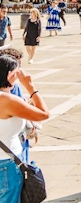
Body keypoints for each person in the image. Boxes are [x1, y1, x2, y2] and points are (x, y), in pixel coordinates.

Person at [0, 55, 50, 202]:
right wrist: (30, 87)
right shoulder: (6, 100)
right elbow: (44, 114)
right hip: (6, 165)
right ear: (9, 74)